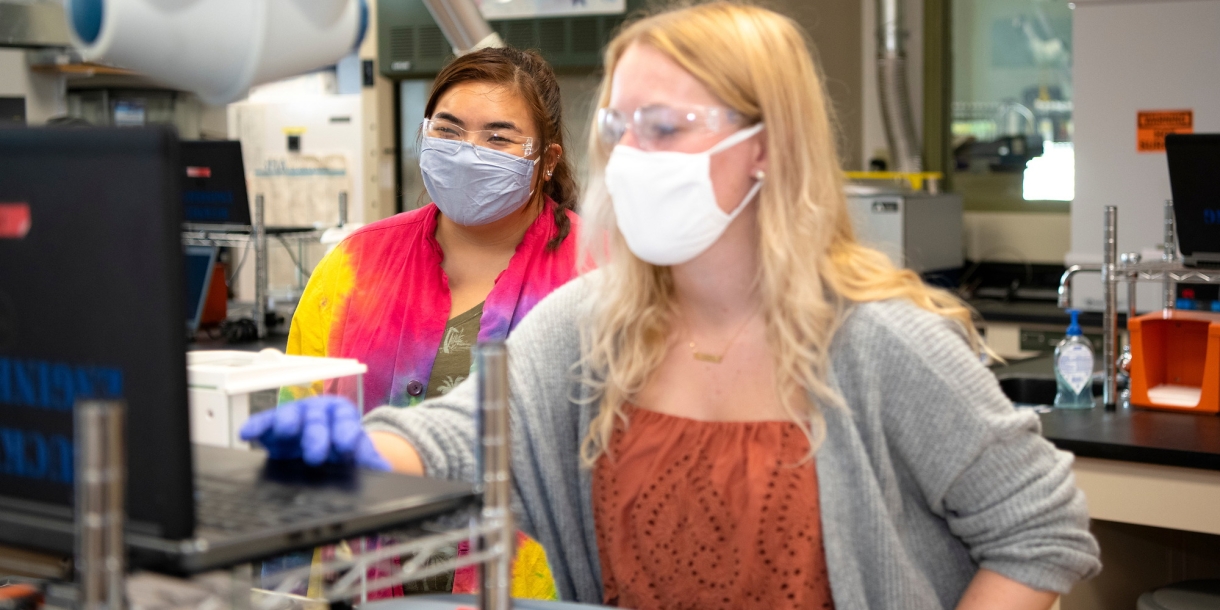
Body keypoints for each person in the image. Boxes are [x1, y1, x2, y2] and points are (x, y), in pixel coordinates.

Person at [245, 4, 1101, 609]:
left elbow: (1041, 527)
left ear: (762, 147)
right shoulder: (589, 329)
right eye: (620, 126)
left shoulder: (878, 343)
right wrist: (362, 442)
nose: (631, 155)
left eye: (665, 126)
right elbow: (465, 436)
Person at [268, 46, 580, 599]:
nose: (468, 153)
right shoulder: (352, 268)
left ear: (546, 159)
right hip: (362, 585)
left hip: (534, 592)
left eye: (498, 137)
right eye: (449, 130)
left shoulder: (596, 271)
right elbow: (296, 455)